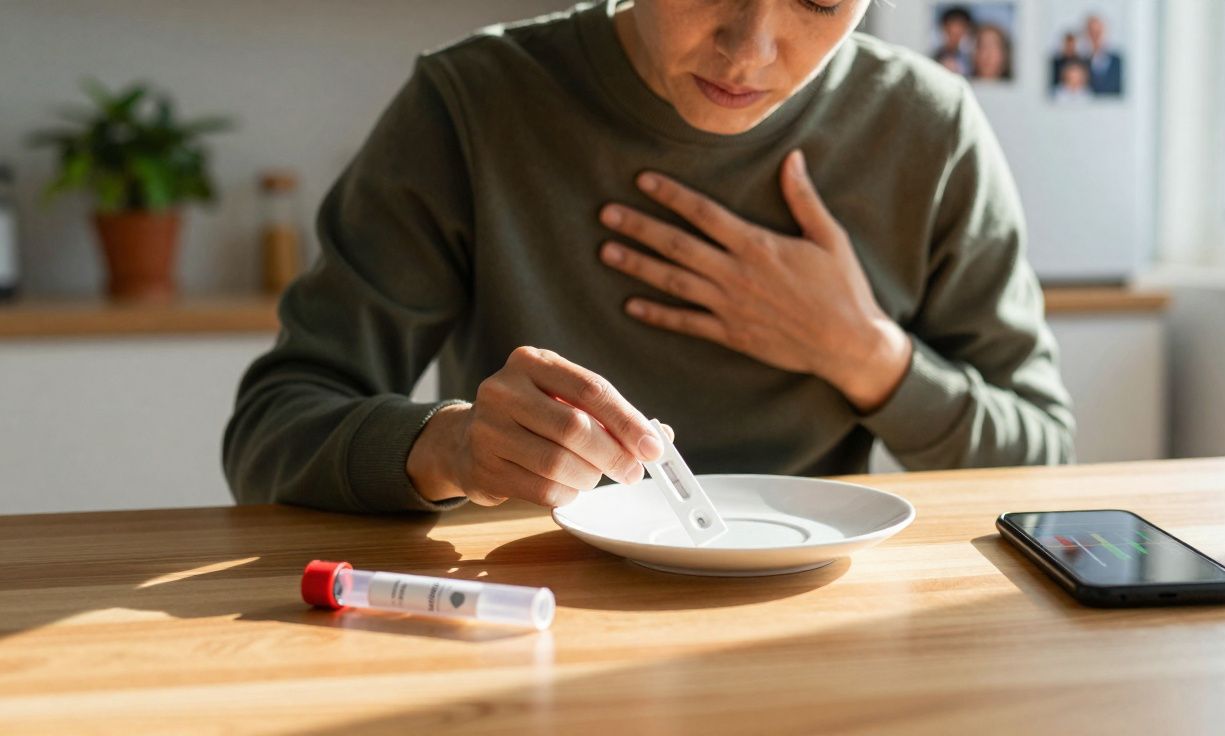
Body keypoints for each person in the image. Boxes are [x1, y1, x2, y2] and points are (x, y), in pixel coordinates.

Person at [224, 0, 1075, 514]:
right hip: (527, 617)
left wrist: (866, 355)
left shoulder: (929, 130)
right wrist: (446, 447)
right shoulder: (473, 105)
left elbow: (1044, 463)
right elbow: (271, 430)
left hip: (813, 628)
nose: (748, 50)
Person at [1084, 14, 1123, 96]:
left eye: (1098, 32)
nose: (1096, 37)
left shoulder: (1117, 60)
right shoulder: (1080, 61)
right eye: (1092, 33)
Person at [932, 5, 975, 77]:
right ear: (945, 28)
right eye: (953, 26)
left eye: (961, 26)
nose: (956, 30)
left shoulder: (970, 59)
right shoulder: (934, 57)